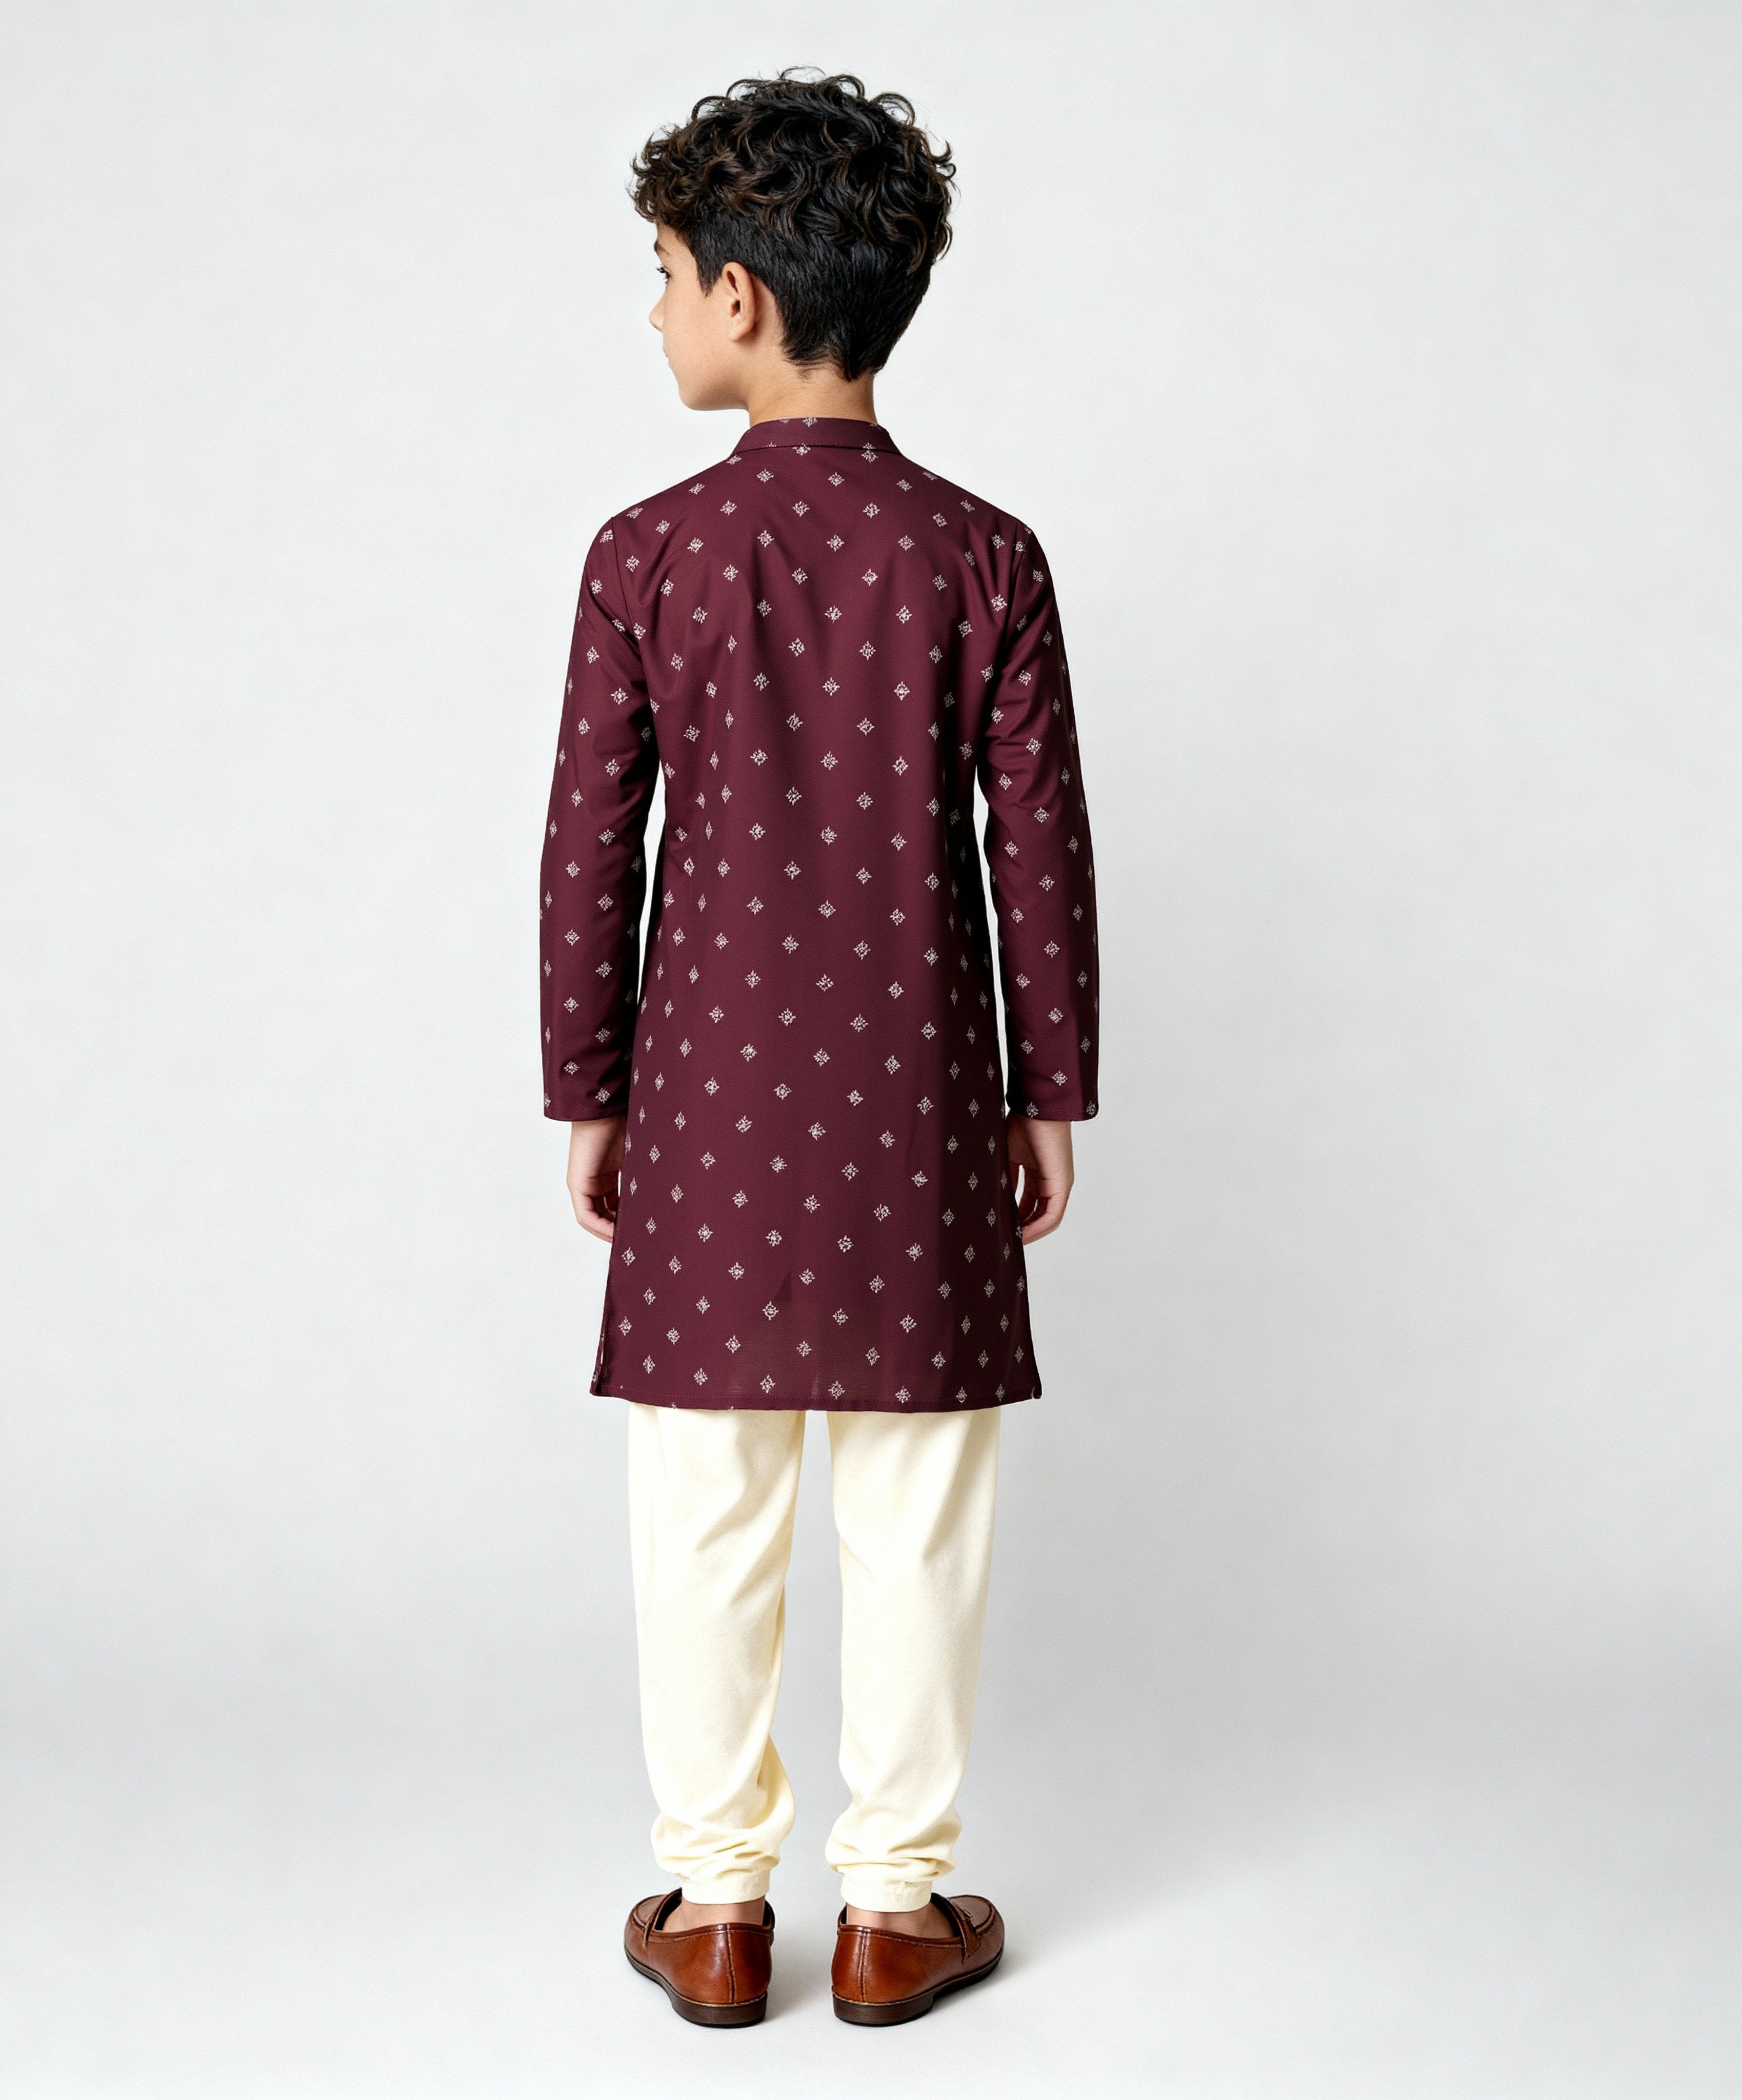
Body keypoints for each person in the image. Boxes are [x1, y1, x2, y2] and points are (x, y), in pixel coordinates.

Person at [535, 69, 1100, 2028]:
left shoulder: (645, 553)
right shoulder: (986, 557)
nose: (654, 312)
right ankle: (891, 1908)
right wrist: (1048, 1090)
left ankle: (712, 1907)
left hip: (703, 1105)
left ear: (744, 298)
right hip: (923, 1097)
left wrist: (589, 1089)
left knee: (705, 1505)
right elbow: (1040, 846)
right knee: (916, 1506)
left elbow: (589, 847)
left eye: (662, 273)